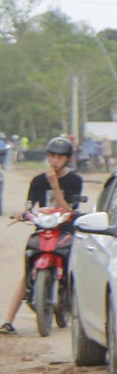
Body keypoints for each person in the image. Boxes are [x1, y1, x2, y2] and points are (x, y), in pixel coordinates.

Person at [1, 136, 83, 335]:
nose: (55, 160)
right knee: (28, 270)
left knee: (78, 269)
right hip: (43, 231)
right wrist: (23, 213)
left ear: (67, 159)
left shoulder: (75, 181)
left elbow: (68, 209)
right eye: (52, 156)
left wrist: (55, 185)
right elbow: (30, 206)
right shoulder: (38, 181)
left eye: (60, 157)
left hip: (64, 231)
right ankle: (8, 321)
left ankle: (83, 317)